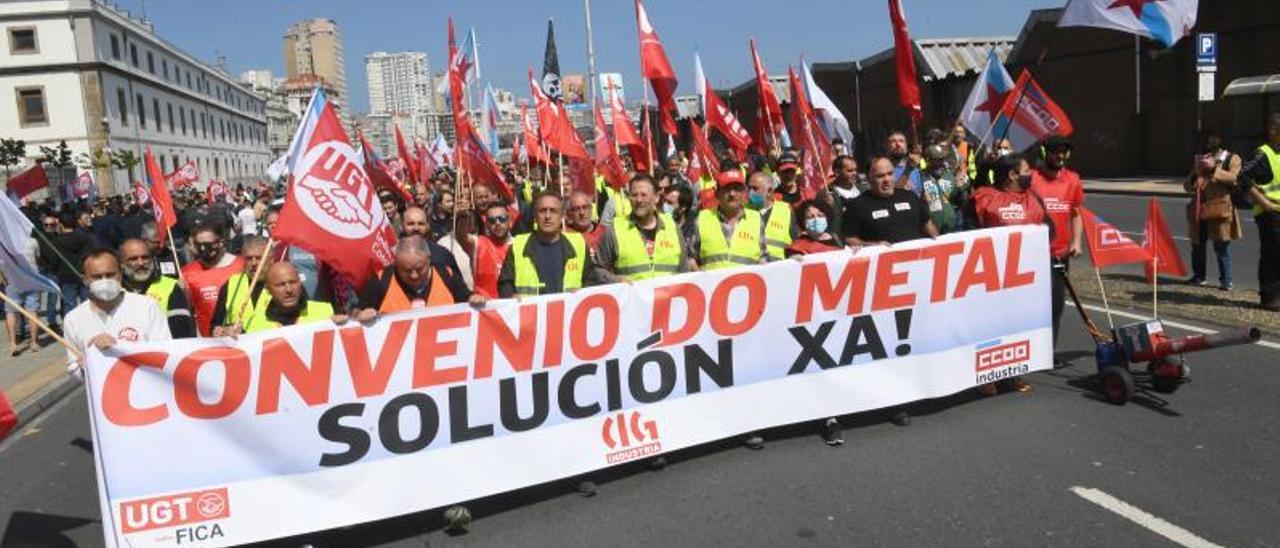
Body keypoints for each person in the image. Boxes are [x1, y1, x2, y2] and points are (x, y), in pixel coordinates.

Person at [970, 153, 1052, 394]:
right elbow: (966, 233)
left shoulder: (1034, 199)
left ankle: (1013, 373)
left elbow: (1050, 230)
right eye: (1027, 170)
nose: (1031, 175)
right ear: (1013, 174)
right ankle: (986, 377)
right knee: (987, 328)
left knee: (1016, 327)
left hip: (1022, 280)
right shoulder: (983, 198)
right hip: (988, 278)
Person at [62, 249, 171, 370]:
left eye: (110, 274)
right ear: (85, 279)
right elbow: (73, 367)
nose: (105, 281)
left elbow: (164, 352)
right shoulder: (73, 319)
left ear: (120, 273)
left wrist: (118, 347)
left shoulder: (147, 306)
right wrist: (85, 365)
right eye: (97, 277)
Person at [1030, 136, 1084, 351]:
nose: (1060, 156)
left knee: (1056, 305)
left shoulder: (1073, 180)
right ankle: (1030, 349)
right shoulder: (1031, 179)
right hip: (1032, 254)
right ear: (1045, 153)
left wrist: (1077, 241)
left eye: (1063, 152)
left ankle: (1047, 351)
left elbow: (1076, 212)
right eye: (1054, 151)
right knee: (1032, 306)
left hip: (1059, 254)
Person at [594, 175, 691, 283]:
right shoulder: (615, 230)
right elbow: (597, 270)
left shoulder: (672, 227)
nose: (639, 200)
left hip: (667, 298)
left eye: (644, 195)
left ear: (657, 197)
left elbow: (684, 271)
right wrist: (615, 280)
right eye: (634, 195)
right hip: (631, 298)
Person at [355, 235, 478, 319]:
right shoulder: (381, 280)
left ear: (429, 260)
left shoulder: (446, 274)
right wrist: (360, 315)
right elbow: (356, 311)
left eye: (419, 269)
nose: (414, 276)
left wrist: (474, 299)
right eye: (406, 271)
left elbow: (467, 298)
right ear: (396, 264)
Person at [498, 192, 592, 298]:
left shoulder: (578, 244)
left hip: (568, 312)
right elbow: (505, 284)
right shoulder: (518, 245)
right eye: (542, 211)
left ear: (562, 215)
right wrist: (511, 297)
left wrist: (583, 293)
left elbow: (591, 281)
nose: (547, 216)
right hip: (530, 313)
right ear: (535, 215)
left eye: (553, 211)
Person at [1184, 133, 1242, 290]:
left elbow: (1233, 179)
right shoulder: (1202, 158)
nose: (1211, 142)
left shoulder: (1232, 158)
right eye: (1209, 139)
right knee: (1197, 244)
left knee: (1221, 245)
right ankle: (1199, 277)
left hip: (1219, 207)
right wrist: (1196, 172)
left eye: (1214, 139)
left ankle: (1226, 280)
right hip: (1199, 207)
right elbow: (1187, 187)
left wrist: (1213, 169)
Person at [841, 157, 940, 247]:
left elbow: (928, 225)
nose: (887, 179)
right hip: (883, 264)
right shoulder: (857, 206)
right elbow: (849, 239)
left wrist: (940, 243)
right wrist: (872, 246)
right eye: (880, 176)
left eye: (890, 174)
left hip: (917, 260)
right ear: (869, 179)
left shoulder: (910, 197)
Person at [1239, 112, 1280, 311]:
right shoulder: (1263, 154)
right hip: (1270, 213)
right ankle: (1269, 298)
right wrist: (1264, 202)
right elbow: (1243, 176)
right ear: (1273, 131)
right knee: (1273, 254)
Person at [691, 169, 769, 271]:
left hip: (747, 285)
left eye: (736, 189)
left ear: (744, 192)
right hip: (712, 286)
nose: (732, 194)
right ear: (717, 193)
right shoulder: (701, 219)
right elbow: (690, 258)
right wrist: (701, 279)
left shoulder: (757, 220)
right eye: (727, 189)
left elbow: (763, 259)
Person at [118, 238, 196, 338]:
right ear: (122, 263)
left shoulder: (170, 287)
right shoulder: (116, 290)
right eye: (133, 259)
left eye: (145, 257)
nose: (141, 263)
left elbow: (182, 334)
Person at [181, 222, 245, 336]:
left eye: (208, 244)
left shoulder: (241, 265)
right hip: (207, 344)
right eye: (198, 244)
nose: (203, 248)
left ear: (220, 242)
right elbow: (188, 311)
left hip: (240, 339)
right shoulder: (188, 272)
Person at [240, 262, 342, 334]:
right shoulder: (255, 326)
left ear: (300, 282)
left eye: (293, 282)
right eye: (281, 285)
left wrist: (346, 324)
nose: (289, 290)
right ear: (268, 289)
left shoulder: (325, 312)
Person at [209, 236, 273, 337]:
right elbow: (216, 323)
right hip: (240, 348)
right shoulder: (232, 284)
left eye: (259, 258)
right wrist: (218, 331)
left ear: (271, 259)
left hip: (271, 348)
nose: (253, 263)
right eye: (249, 258)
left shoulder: (283, 282)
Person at [747, 171, 795, 261]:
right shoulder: (742, 211)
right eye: (749, 188)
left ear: (769, 191)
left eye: (755, 188)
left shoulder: (786, 211)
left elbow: (796, 242)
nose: (750, 192)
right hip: (751, 269)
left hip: (778, 269)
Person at [474, 203, 513, 299]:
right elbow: (462, 236)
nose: (498, 223)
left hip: (512, 308)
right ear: (486, 224)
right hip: (486, 310)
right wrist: (463, 217)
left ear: (510, 220)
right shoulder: (478, 243)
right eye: (492, 220)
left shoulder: (520, 245)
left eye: (502, 218)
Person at [920, 144, 961, 234]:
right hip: (932, 231)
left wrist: (960, 187)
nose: (942, 163)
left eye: (942, 159)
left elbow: (958, 198)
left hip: (953, 227)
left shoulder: (949, 175)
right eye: (937, 160)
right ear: (928, 160)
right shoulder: (921, 177)